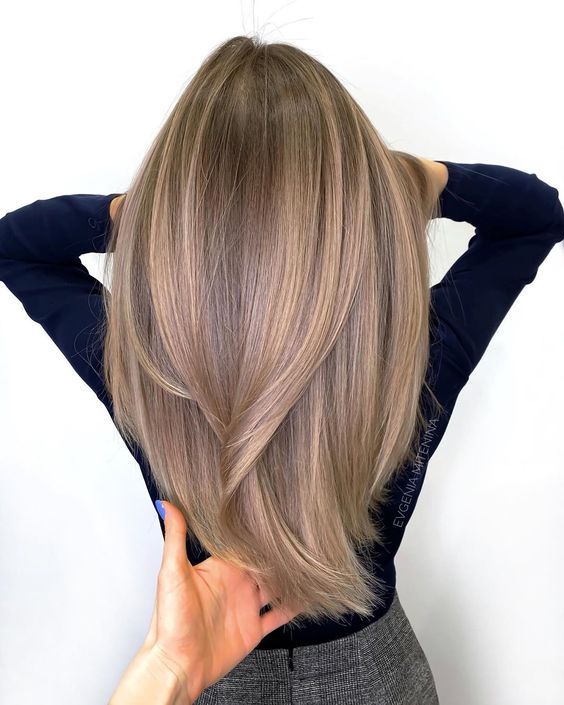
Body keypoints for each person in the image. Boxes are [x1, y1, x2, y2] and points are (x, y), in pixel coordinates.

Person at [1, 34, 563, 705]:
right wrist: (408, 180)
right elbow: (533, 217)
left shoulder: (144, 367)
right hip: (376, 678)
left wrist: (149, 212)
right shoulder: (422, 354)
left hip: (204, 669)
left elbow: (17, 246)